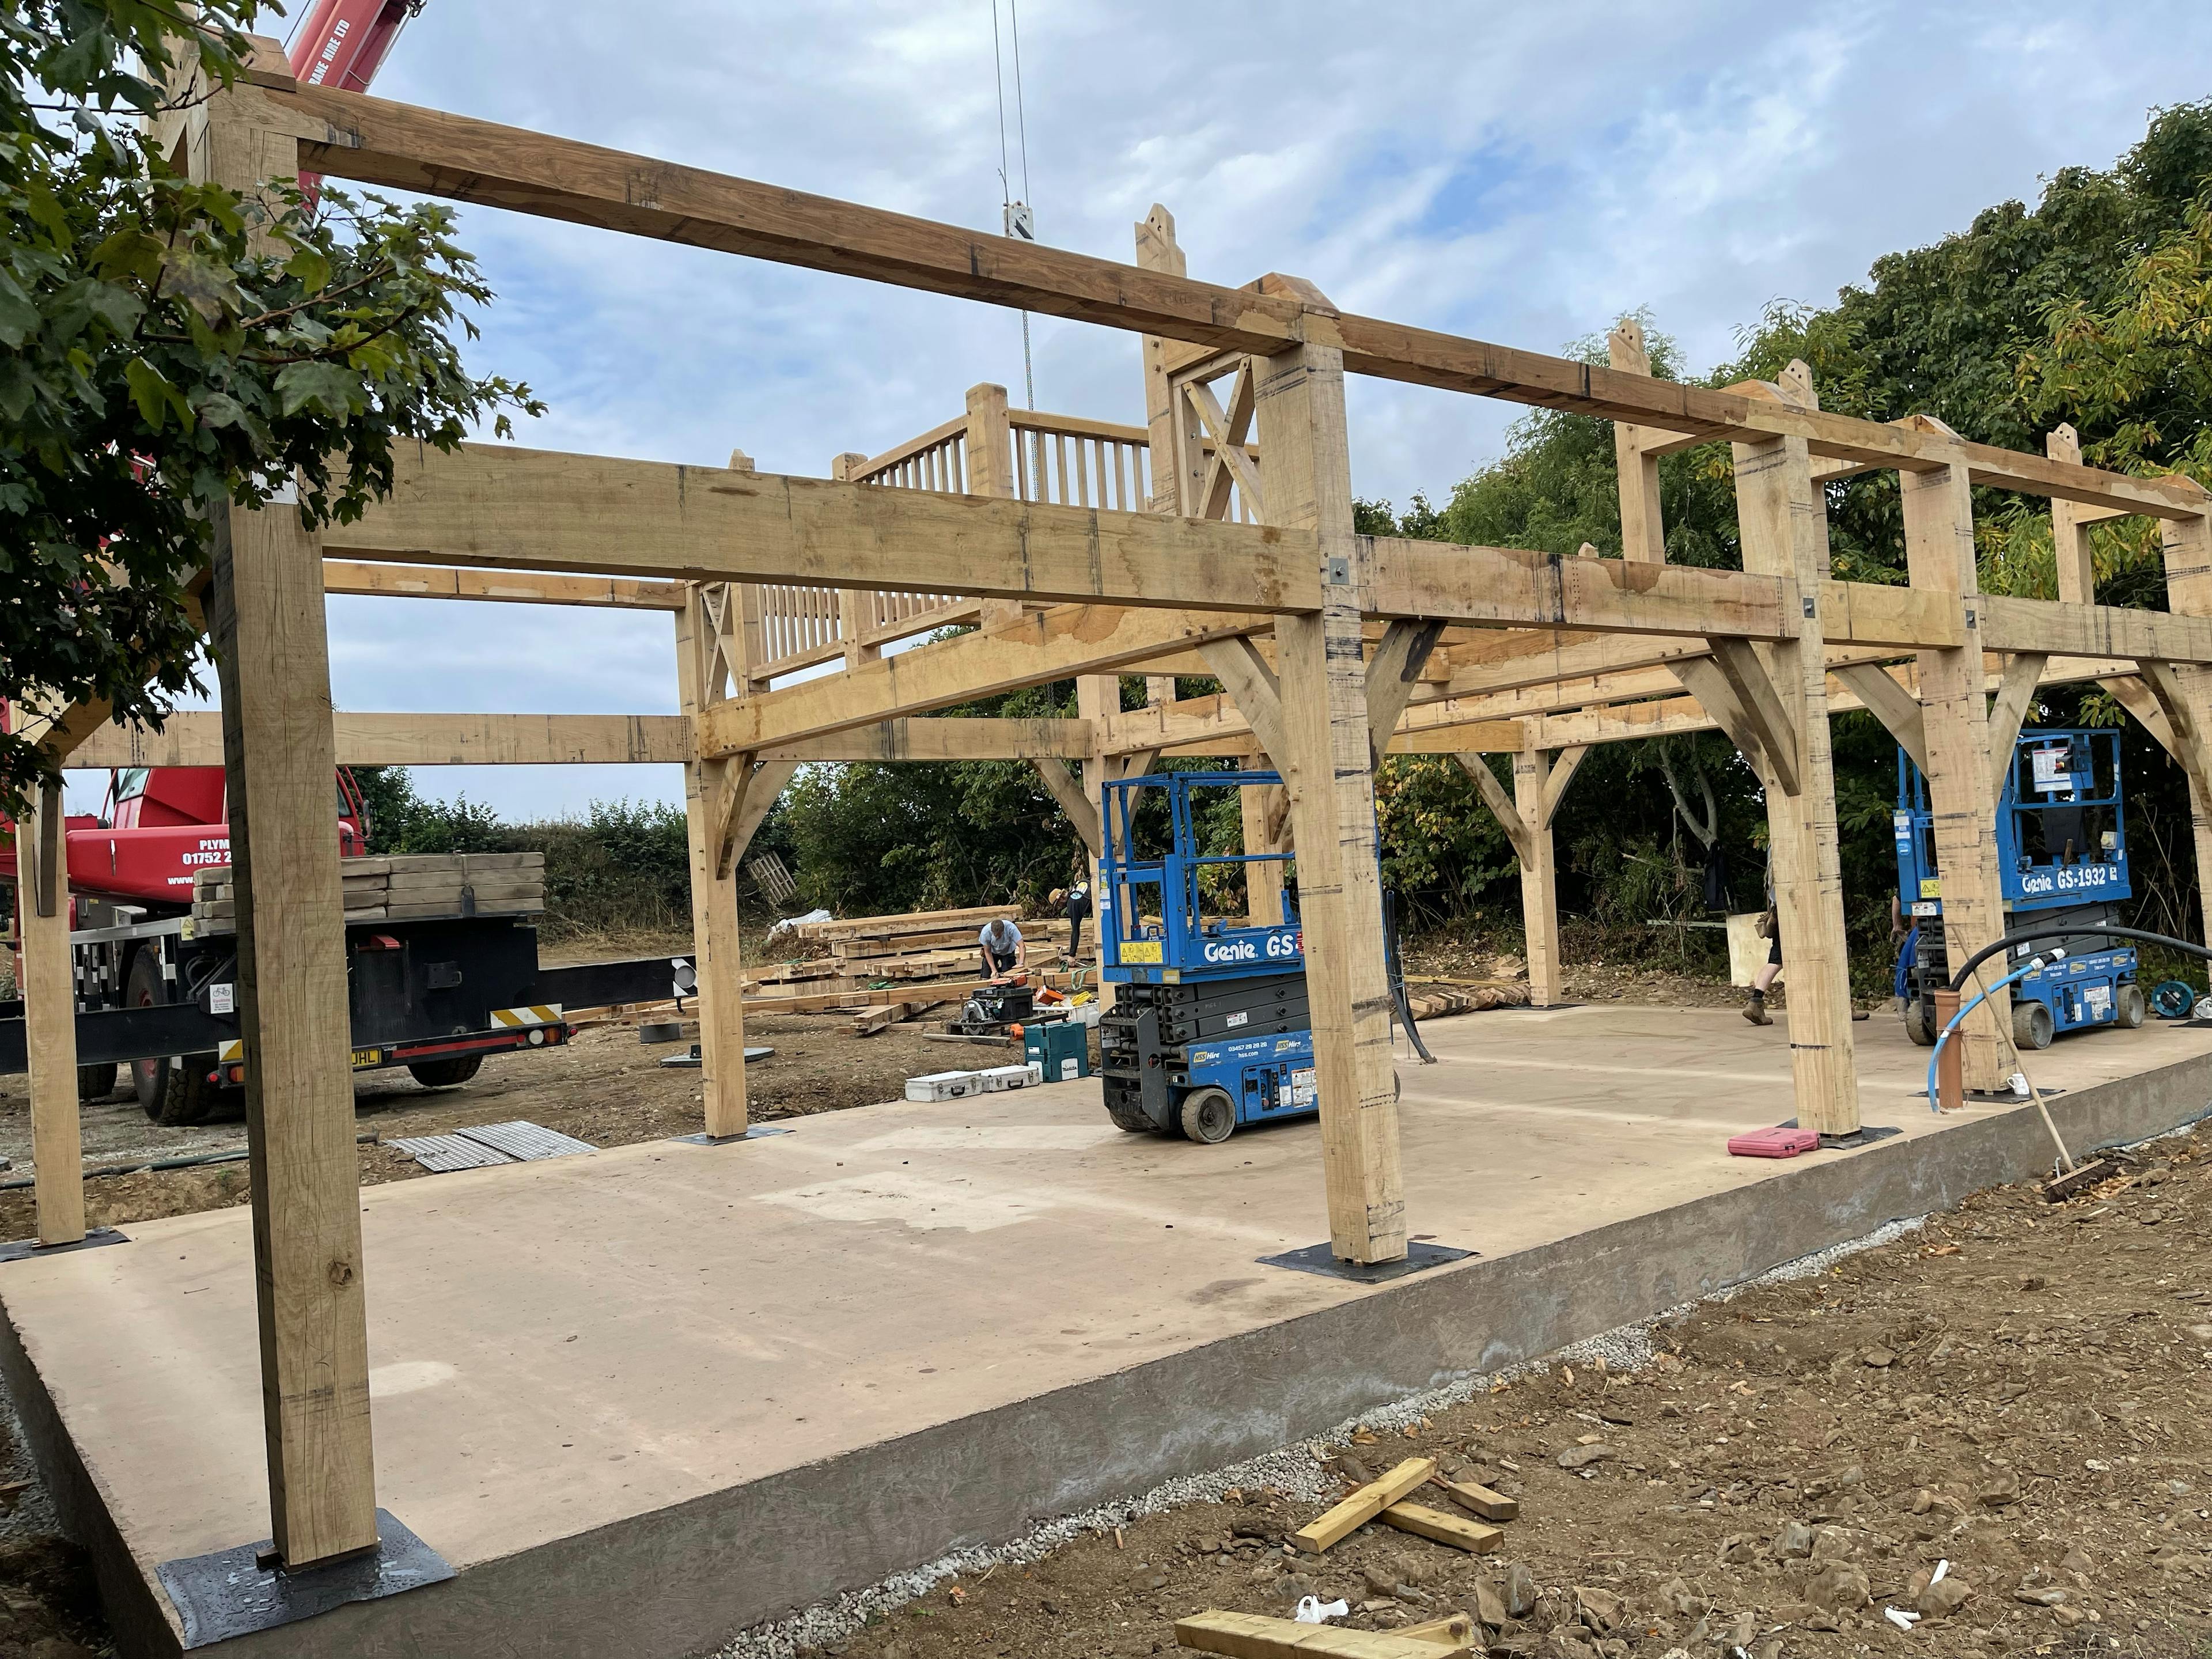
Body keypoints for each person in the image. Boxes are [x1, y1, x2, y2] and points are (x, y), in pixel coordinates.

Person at [979, 915, 1025, 981]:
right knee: (986, 976)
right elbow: (987, 952)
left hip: (1008, 952)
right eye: (995, 935)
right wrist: (994, 970)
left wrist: (1021, 963)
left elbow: (1022, 945)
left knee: (1009, 976)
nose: (997, 937)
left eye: (999, 935)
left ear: (1003, 931)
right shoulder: (985, 932)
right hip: (992, 952)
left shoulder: (1011, 928)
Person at [1054, 881, 1092, 960]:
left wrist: (1072, 955)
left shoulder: (1072, 904)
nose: (1060, 907)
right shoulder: (1078, 884)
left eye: (1059, 905)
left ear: (1061, 899)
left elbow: (1075, 930)